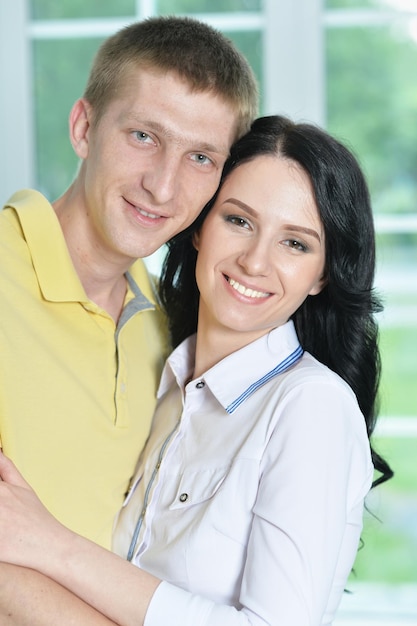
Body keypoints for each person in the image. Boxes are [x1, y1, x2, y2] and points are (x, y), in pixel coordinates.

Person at [0, 115, 392, 626]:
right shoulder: (164, 385)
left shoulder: (310, 404)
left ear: (321, 276)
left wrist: (53, 546)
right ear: (200, 229)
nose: (255, 261)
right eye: (239, 220)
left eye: (295, 243)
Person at [0, 15, 258, 548]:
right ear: (84, 129)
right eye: (144, 136)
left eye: (200, 158)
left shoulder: (169, 332)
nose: (163, 187)